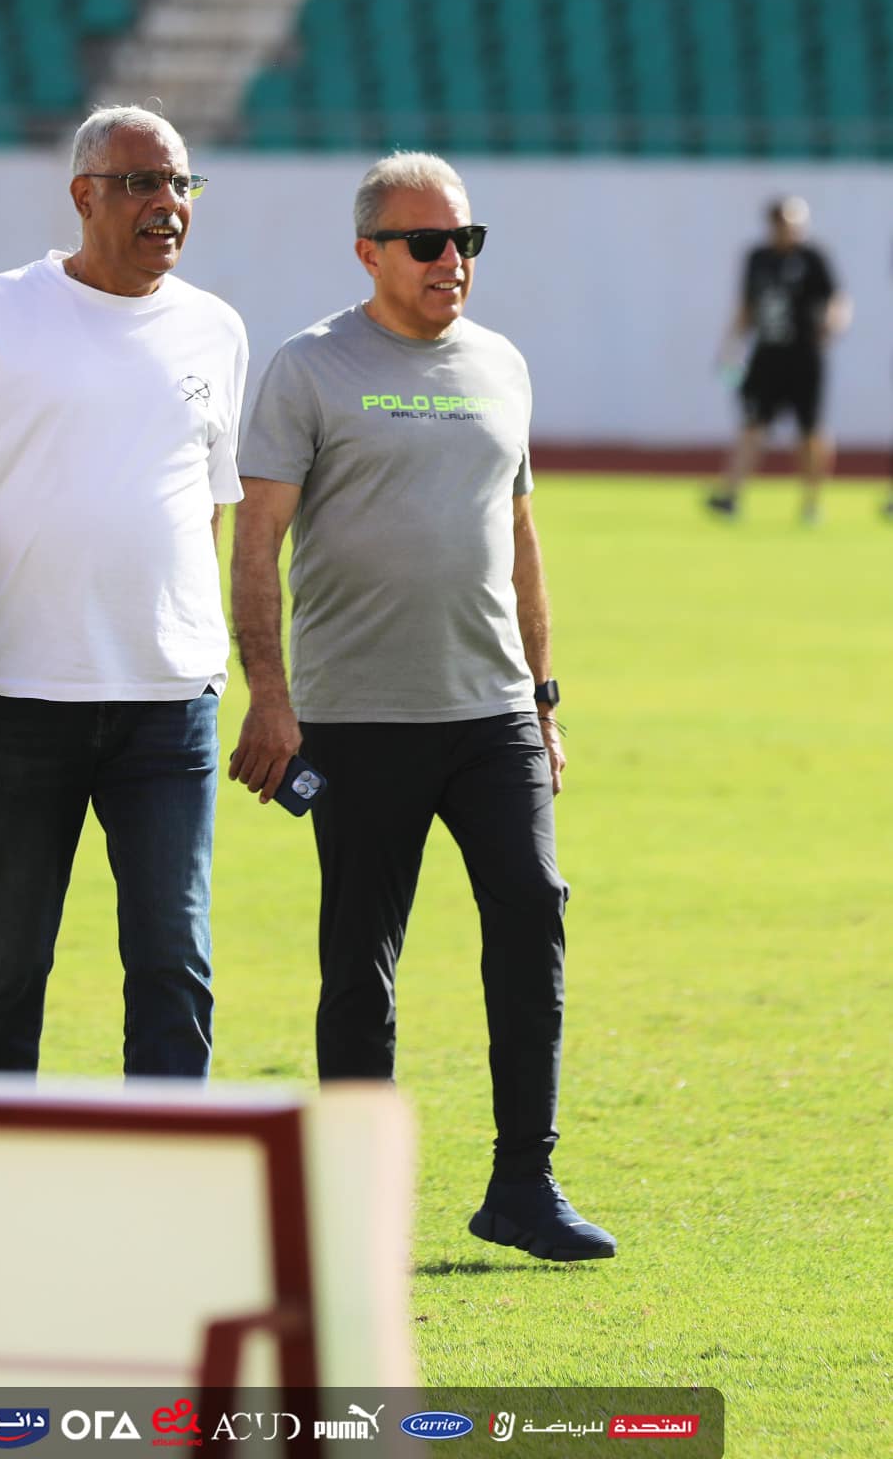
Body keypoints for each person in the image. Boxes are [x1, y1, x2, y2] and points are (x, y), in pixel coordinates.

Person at [229, 150, 616, 1262]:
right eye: (427, 242)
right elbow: (255, 544)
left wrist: (542, 700)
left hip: (492, 713)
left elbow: (521, 540)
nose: (453, 261)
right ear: (368, 252)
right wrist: (271, 698)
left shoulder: (501, 364)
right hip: (356, 718)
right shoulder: (309, 367)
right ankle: (353, 1207)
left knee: (532, 913)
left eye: (466, 241)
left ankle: (524, 1185)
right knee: (361, 960)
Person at [0, 104, 248, 1077]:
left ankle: (165, 1159)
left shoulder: (216, 330)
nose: (168, 203)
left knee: (174, 961)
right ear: (84, 195)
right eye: (141, 183)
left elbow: (205, 513)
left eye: (181, 183)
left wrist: (207, 655)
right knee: (5, 963)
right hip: (21, 699)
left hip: (169, 705)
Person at [708, 196, 850, 522]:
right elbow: (746, 306)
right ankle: (730, 495)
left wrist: (834, 323)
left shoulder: (812, 258)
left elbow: (837, 298)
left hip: (805, 356)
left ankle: (812, 502)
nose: (791, 230)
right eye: (784, 223)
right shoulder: (757, 258)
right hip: (767, 354)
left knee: (810, 431)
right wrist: (731, 346)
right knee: (752, 425)